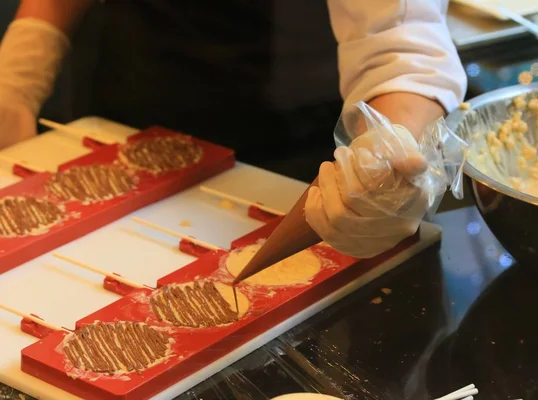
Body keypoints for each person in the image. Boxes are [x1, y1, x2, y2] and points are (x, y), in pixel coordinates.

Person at [0, 0, 466, 258]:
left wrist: (387, 151)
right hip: (130, 104)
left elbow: (402, 52)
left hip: (293, 153)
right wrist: (28, 55)